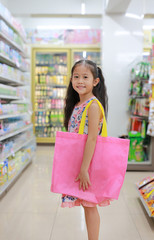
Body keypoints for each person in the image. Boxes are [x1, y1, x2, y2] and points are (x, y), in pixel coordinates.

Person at [62, 59, 110, 240]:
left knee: (90, 205)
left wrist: (84, 169)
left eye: (85, 77)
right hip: (82, 161)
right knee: (86, 204)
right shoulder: (77, 104)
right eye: (76, 77)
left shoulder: (93, 105)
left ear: (95, 81)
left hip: (89, 164)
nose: (79, 81)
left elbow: (92, 138)